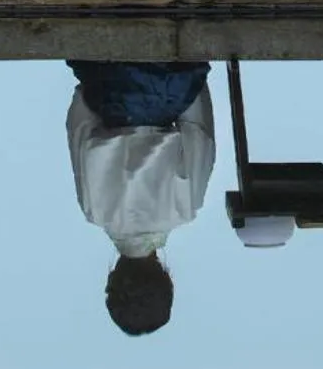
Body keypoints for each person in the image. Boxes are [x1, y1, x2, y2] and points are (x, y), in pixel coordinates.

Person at [66, 60, 217, 336]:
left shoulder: (185, 209)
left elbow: (198, 120)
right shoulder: (94, 210)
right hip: (106, 75)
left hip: (174, 76)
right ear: (111, 278)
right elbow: (80, 113)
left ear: (168, 279)